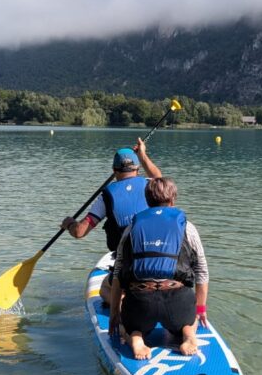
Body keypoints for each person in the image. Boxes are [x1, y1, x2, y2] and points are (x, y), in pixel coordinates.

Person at [109, 176, 208, 361]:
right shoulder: (187, 227)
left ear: (147, 201)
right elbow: (202, 270)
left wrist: (115, 314)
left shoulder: (132, 227)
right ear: (173, 200)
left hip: (140, 304)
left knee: (128, 327)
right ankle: (188, 335)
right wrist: (200, 310)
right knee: (189, 322)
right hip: (178, 302)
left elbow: (118, 273)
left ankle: (136, 338)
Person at [61, 138, 162, 302]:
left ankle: (123, 307)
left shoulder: (105, 197)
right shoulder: (151, 186)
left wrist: (69, 224)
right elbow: (158, 176)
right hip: (157, 263)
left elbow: (79, 232)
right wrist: (142, 154)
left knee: (103, 290)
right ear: (137, 169)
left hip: (128, 268)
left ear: (114, 171)